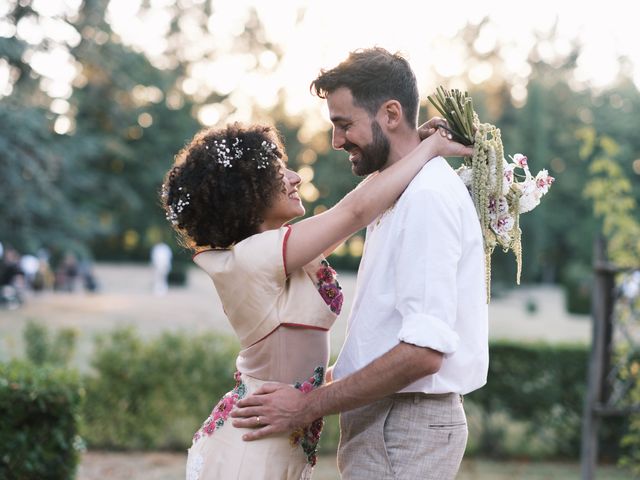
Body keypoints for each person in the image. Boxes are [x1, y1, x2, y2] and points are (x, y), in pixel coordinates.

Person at [231, 47, 489, 480]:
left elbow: (423, 353)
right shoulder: (400, 189)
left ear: (391, 113)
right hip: (390, 421)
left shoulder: (426, 197)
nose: (336, 141)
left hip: (402, 426)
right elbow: (383, 335)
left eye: (344, 124)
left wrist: (305, 407)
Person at [161, 119, 471, 480]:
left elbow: (355, 208)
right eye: (280, 172)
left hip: (275, 437)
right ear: (246, 193)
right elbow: (353, 213)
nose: (296, 178)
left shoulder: (277, 255)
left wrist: (411, 146)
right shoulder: (255, 258)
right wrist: (430, 149)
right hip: (252, 449)